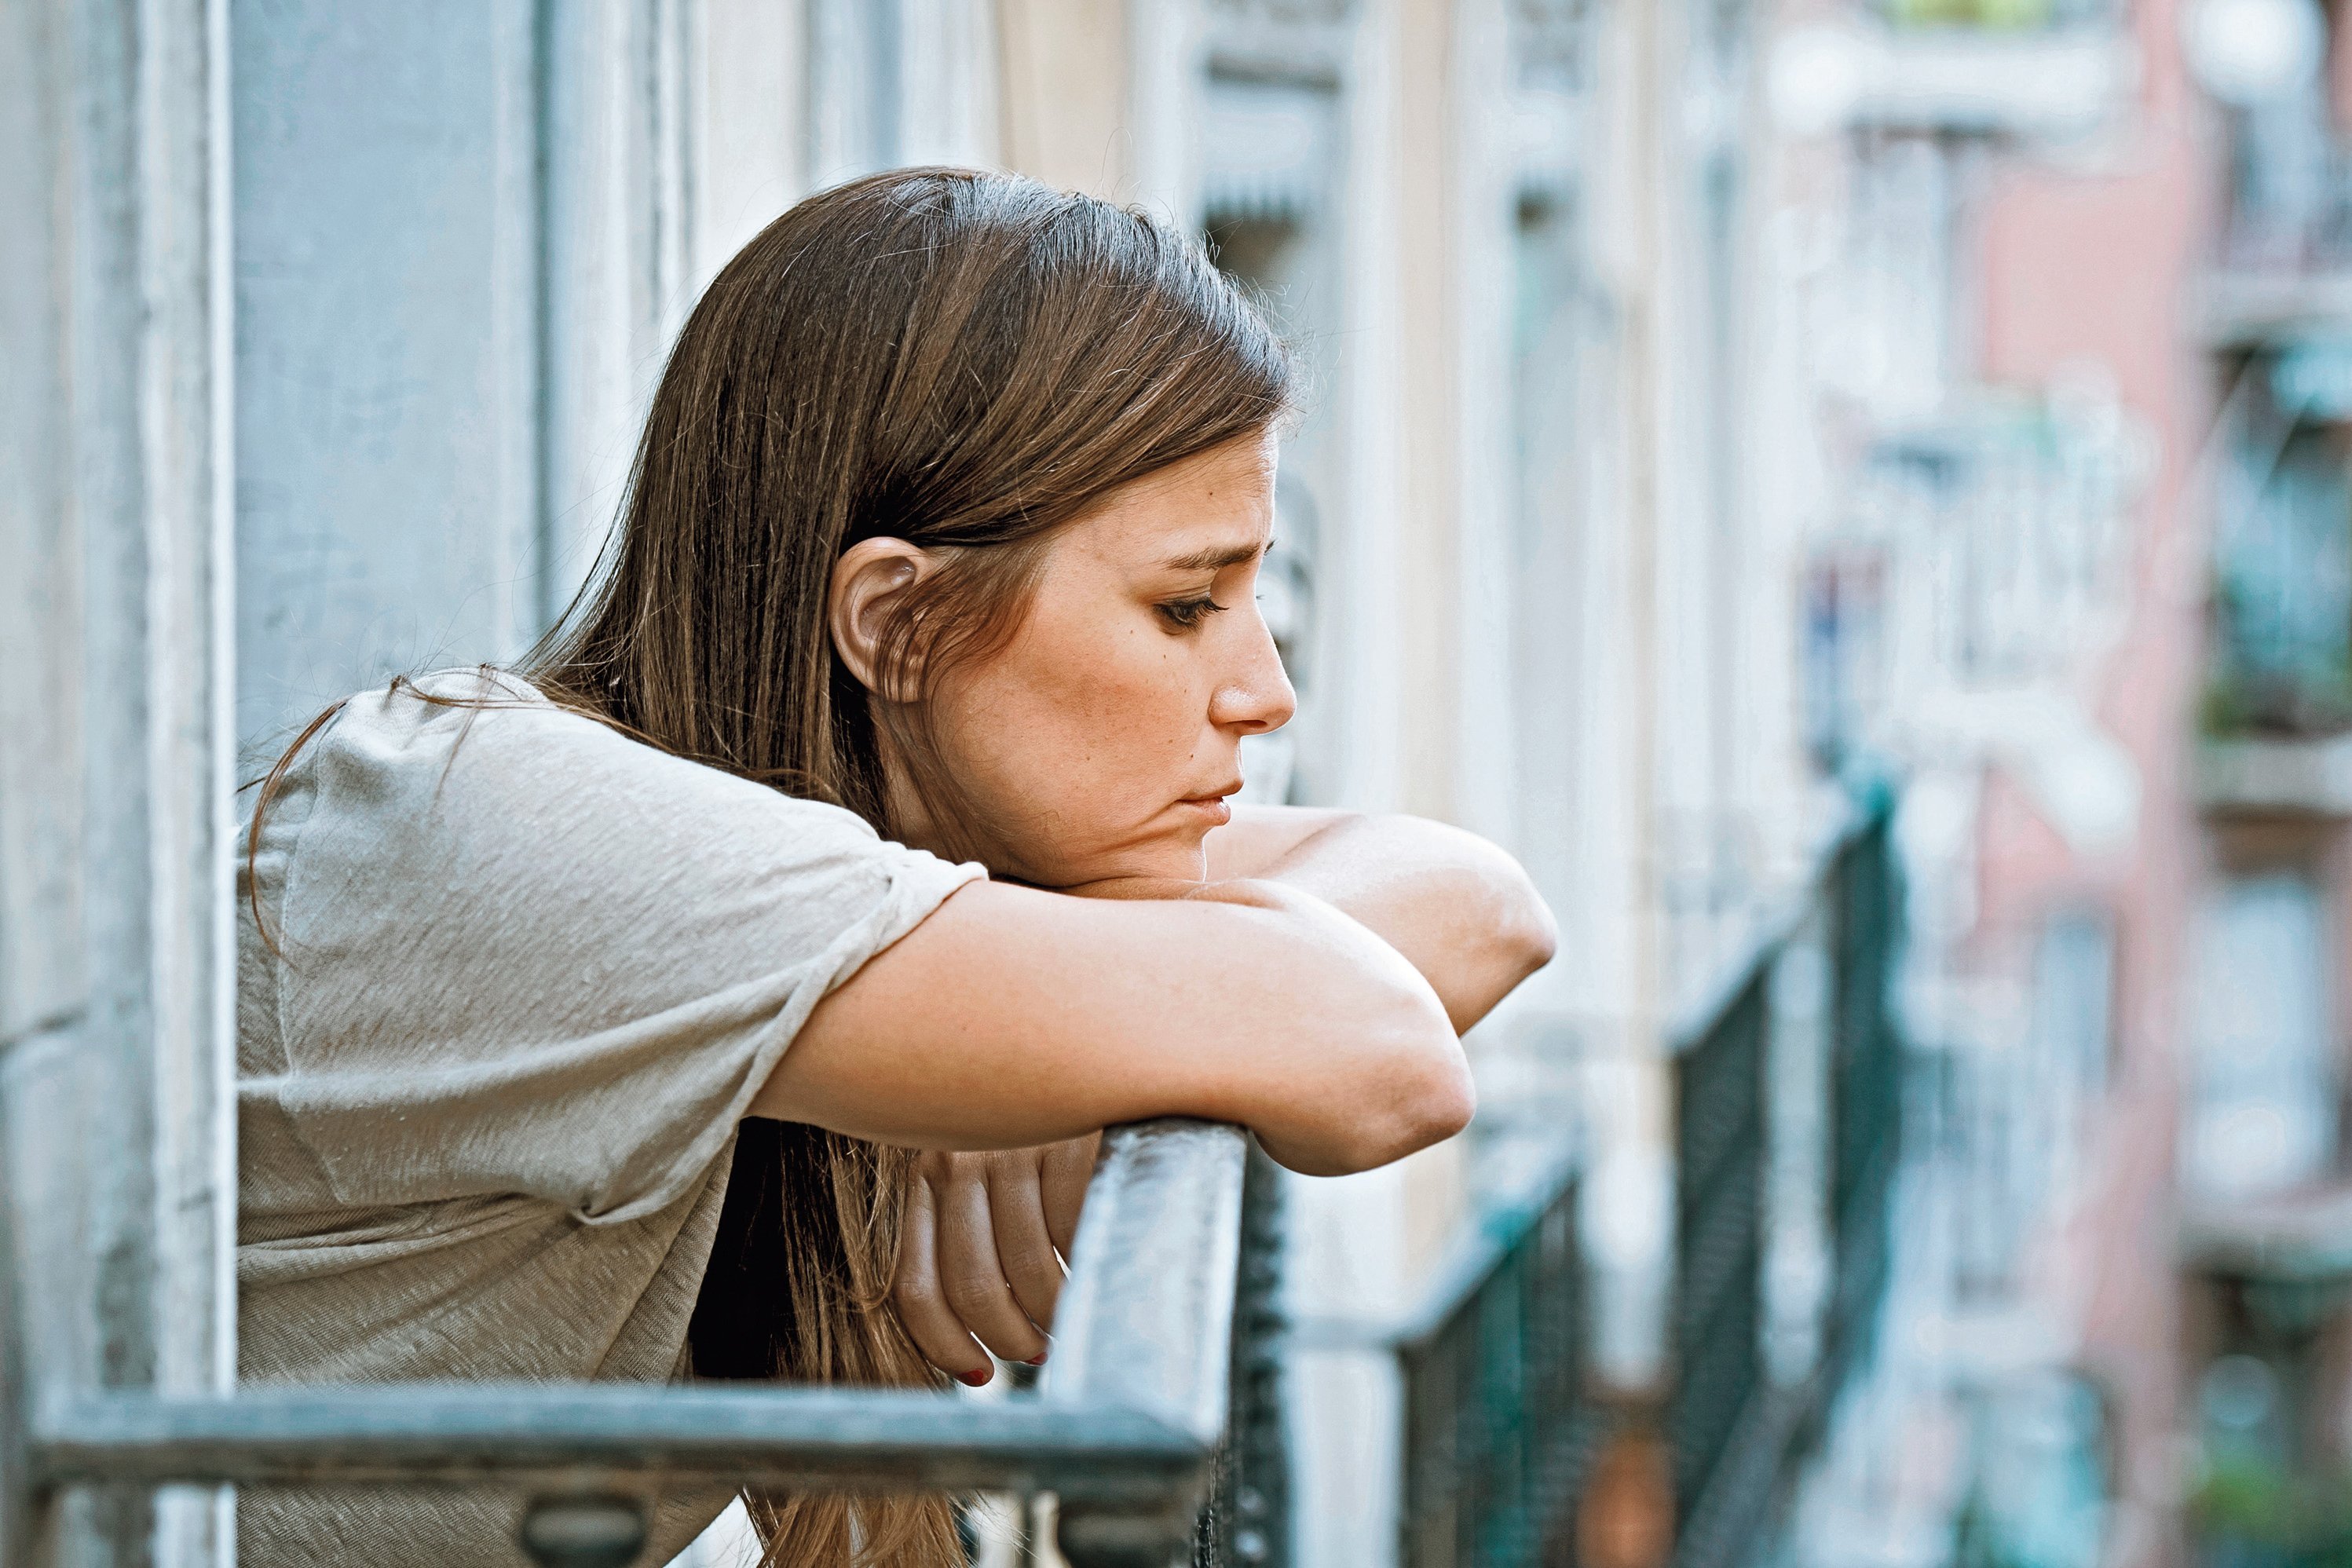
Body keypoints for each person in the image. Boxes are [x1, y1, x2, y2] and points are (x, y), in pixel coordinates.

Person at [236, 167, 1556, 1567]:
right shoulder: (493, 815)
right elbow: (1383, 1053)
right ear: (897, 619)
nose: (1265, 692)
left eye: (1253, 599)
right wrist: (1160, 1001)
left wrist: (1096, 997)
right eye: (1185, 606)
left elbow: (1485, 907)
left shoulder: (913, 854)